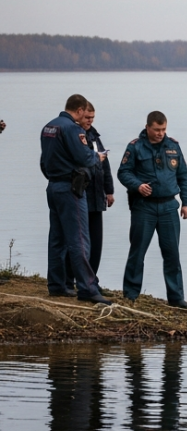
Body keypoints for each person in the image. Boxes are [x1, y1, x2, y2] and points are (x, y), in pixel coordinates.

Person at [40, 94, 111, 304]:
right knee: (79, 239)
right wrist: (96, 157)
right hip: (72, 188)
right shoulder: (72, 128)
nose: (85, 118)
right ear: (79, 110)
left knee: (57, 239)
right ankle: (87, 288)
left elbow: (44, 161)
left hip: (53, 186)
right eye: (84, 113)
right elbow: (84, 157)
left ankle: (56, 285)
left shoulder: (49, 127)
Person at [118, 111, 187, 308]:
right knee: (138, 251)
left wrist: (186, 203)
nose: (160, 133)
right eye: (157, 129)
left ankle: (176, 298)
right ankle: (130, 295)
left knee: (172, 254)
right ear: (148, 127)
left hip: (169, 206)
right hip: (144, 207)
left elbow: (183, 176)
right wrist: (137, 185)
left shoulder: (173, 146)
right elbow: (123, 172)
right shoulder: (135, 147)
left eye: (163, 129)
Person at [75, 103, 114, 274]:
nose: (90, 120)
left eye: (92, 117)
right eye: (87, 117)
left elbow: (105, 165)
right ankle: (75, 277)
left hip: (98, 196)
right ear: (79, 115)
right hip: (80, 195)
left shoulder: (94, 136)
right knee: (80, 240)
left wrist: (109, 190)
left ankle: (92, 278)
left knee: (96, 241)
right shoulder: (74, 134)